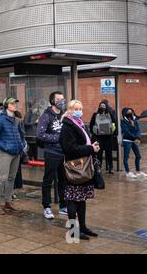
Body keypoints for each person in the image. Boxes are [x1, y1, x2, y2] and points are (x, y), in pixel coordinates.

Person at [60, 100, 99, 240]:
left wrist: (93, 146)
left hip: (84, 165)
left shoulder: (80, 123)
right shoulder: (67, 126)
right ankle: (73, 230)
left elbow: (84, 142)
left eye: (81, 108)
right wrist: (90, 149)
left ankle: (83, 227)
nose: (79, 111)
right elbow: (69, 149)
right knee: (72, 199)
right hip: (74, 167)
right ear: (70, 110)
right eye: (76, 108)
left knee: (82, 199)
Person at [0, 97, 26, 214]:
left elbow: (21, 134)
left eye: (15, 103)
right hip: (6, 153)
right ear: (7, 106)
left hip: (16, 152)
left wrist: (21, 145)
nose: (15, 105)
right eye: (12, 103)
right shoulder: (0, 119)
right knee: (3, 178)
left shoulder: (16, 120)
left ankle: (8, 202)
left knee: (11, 178)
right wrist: (5, 147)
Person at [36, 91, 68, 219]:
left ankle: (63, 206)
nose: (62, 101)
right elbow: (40, 134)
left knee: (63, 180)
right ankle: (46, 207)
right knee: (48, 180)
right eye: (59, 99)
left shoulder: (65, 116)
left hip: (63, 153)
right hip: (51, 153)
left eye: (63, 99)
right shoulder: (46, 116)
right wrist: (58, 138)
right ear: (53, 101)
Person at [90, 101, 116, 174]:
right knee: (99, 153)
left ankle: (111, 167)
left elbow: (114, 124)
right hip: (98, 137)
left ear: (106, 107)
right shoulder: (95, 115)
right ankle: (99, 167)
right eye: (101, 106)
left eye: (104, 106)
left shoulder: (110, 115)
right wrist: (97, 131)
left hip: (108, 137)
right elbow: (91, 125)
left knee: (109, 153)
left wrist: (111, 130)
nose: (102, 107)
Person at [121, 107, 146, 178]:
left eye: (131, 112)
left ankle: (138, 171)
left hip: (135, 140)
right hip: (127, 141)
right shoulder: (123, 122)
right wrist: (135, 138)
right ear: (124, 113)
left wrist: (138, 138)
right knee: (126, 157)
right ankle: (127, 172)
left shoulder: (135, 120)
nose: (130, 113)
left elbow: (138, 130)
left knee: (138, 156)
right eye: (128, 112)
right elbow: (126, 132)